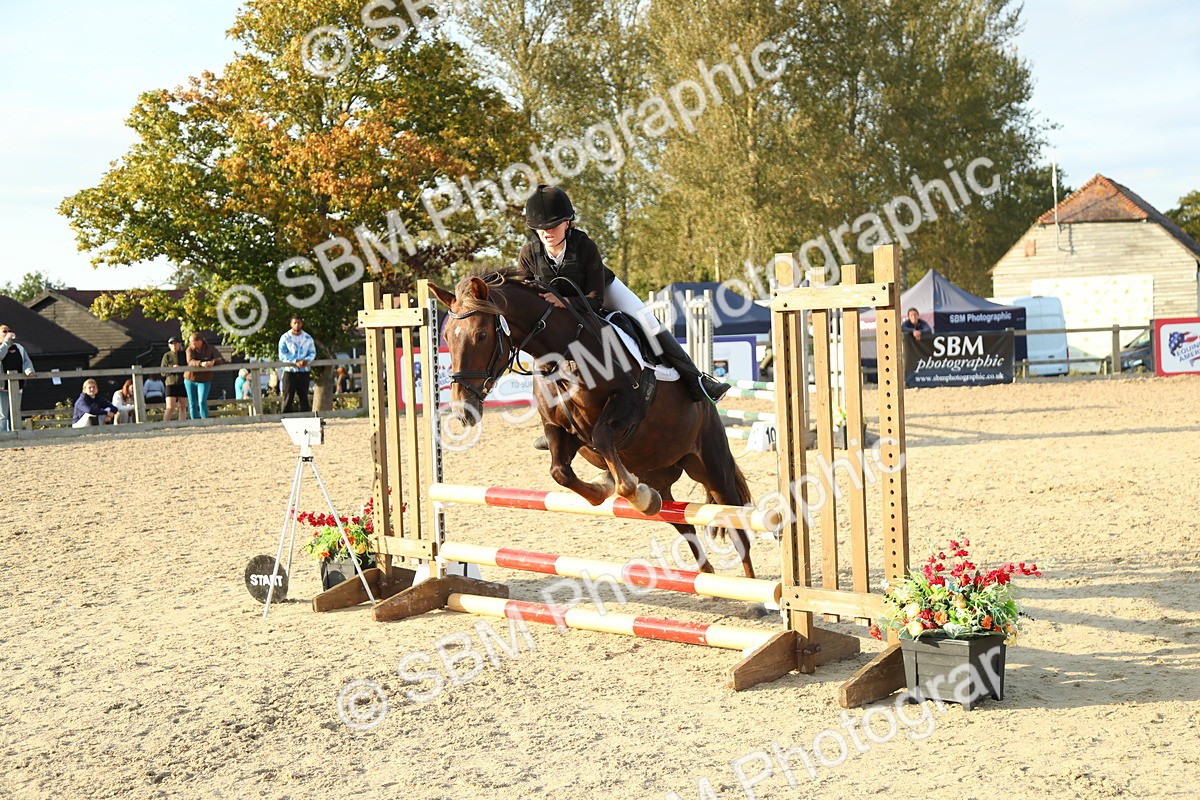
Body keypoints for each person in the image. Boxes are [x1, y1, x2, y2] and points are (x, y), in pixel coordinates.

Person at [516, 185, 729, 406]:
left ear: (567, 222)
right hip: (557, 307)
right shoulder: (529, 254)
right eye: (540, 227)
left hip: (600, 293)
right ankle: (552, 421)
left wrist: (566, 302)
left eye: (552, 225)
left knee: (647, 320)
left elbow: (596, 300)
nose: (546, 232)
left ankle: (697, 380)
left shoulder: (585, 247)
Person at [0, 325, 35, 433]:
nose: (8, 333)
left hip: (17, 387)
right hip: (2, 388)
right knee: (2, 415)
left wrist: (29, 370)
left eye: (9, 331)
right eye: (4, 331)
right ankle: (3, 436)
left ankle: (16, 435)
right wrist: (6, 342)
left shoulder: (19, 347)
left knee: (15, 413)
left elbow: (26, 361)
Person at [278, 315, 316, 413]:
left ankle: (306, 418)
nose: (297, 325)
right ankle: (286, 417)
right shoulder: (285, 338)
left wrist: (306, 360)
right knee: (288, 396)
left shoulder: (307, 338)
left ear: (301, 324)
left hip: (304, 371)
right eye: (294, 323)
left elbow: (312, 352)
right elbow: (282, 354)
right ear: (291, 324)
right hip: (290, 371)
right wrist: (294, 361)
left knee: (304, 396)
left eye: (298, 323)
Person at [184, 333, 225, 419]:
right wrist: (201, 364)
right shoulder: (189, 349)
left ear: (200, 341)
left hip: (205, 379)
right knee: (192, 403)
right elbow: (190, 361)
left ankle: (205, 420)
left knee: (202, 401)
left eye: (193, 342)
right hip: (190, 379)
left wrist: (213, 362)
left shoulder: (210, 349)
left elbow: (220, 359)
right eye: (190, 342)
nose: (191, 344)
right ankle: (195, 422)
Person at [161, 337, 187, 422]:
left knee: (182, 406)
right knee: (170, 407)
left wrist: (181, 369)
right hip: (170, 383)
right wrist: (172, 369)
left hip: (182, 382)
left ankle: (182, 423)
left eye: (175, 343)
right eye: (171, 344)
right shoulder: (167, 356)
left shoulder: (184, 354)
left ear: (179, 344)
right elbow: (162, 372)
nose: (174, 346)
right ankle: (165, 424)